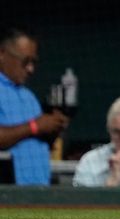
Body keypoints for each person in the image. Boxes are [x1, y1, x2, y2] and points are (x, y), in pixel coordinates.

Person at [0, 26, 70, 185]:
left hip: (39, 191)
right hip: (7, 195)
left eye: (34, 62)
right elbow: (32, 128)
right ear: (2, 53)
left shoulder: (28, 96)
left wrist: (53, 129)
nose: (30, 69)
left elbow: (39, 140)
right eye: (25, 61)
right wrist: (35, 126)